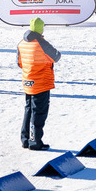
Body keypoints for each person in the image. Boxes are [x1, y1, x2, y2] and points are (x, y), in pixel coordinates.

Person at [17, 17, 61, 150]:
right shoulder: (41, 43)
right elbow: (56, 56)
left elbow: (19, 63)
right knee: (39, 112)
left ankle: (25, 139)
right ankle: (35, 141)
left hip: (27, 81)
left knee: (29, 109)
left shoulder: (21, 43)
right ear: (41, 29)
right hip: (41, 82)